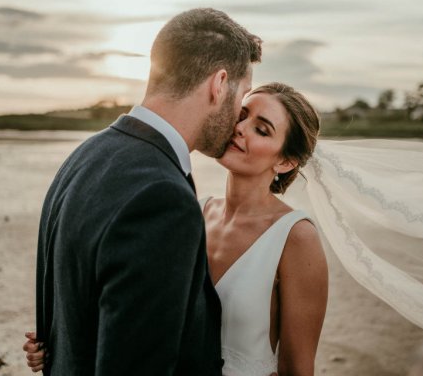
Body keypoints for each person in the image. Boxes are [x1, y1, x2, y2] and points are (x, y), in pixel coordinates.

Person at [25, 82, 329, 375]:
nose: (240, 128)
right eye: (241, 115)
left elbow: (298, 370)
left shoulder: (296, 237)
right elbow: (136, 315)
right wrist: (59, 343)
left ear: (286, 162)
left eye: (261, 130)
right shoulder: (192, 210)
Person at [27, 7, 262, 375]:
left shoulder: (84, 157)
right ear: (219, 85)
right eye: (241, 95)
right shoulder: (163, 200)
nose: (239, 117)